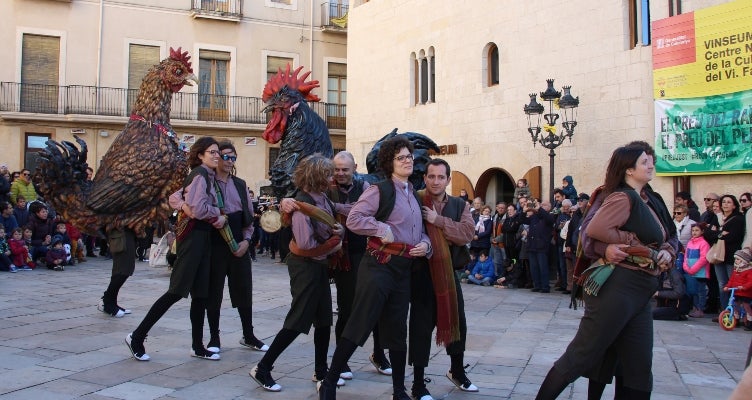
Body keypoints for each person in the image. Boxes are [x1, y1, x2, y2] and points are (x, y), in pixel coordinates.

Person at [536, 142, 676, 400]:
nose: (651, 165)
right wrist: (614, 245)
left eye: (651, 160)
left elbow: (670, 235)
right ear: (628, 170)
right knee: (582, 355)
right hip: (619, 285)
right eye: (645, 161)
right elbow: (588, 235)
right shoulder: (615, 195)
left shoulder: (654, 200)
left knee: (639, 367)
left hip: (643, 290)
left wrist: (669, 251)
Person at [318, 136, 432, 400]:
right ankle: (329, 382)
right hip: (379, 265)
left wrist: (425, 245)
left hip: (403, 268)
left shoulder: (412, 194)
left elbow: (420, 231)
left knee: (397, 330)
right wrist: (381, 228)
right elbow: (356, 219)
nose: (407, 161)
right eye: (401, 157)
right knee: (361, 322)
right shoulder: (379, 190)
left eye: (409, 157)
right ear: (389, 162)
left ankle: (399, 391)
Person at [250, 153, 344, 392]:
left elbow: (342, 208)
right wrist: (336, 242)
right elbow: (305, 246)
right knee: (298, 319)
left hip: (318, 267)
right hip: (305, 267)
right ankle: (262, 368)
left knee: (324, 321)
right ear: (317, 176)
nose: (332, 176)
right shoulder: (302, 206)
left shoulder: (322, 198)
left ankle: (321, 372)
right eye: (328, 172)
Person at [125, 137, 226, 362]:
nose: (216, 155)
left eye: (218, 152)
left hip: (203, 237)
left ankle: (198, 346)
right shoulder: (200, 175)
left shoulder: (207, 176)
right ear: (200, 155)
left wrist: (187, 206)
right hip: (194, 237)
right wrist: (216, 215)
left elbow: (178, 198)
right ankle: (137, 336)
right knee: (176, 291)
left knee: (201, 295)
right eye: (212, 152)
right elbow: (198, 210)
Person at [408, 158, 477, 400]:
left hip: (449, 273)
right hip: (421, 273)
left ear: (448, 180)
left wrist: (438, 222)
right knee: (421, 326)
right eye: (431, 176)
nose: (436, 181)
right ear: (424, 178)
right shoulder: (414, 199)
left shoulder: (459, 205)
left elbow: (467, 233)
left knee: (457, 321)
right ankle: (418, 384)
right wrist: (447, 234)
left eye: (441, 177)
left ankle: (457, 371)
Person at [198, 141, 268, 354]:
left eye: (233, 158)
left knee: (243, 290)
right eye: (225, 157)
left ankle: (248, 334)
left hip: (238, 241)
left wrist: (246, 241)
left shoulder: (240, 184)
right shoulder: (207, 182)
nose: (229, 161)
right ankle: (214, 337)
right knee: (214, 292)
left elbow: (248, 217)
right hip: (216, 243)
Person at [326, 151, 390, 379]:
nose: (341, 173)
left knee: (377, 306)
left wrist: (337, 207)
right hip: (343, 258)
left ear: (354, 167)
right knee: (347, 310)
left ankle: (379, 354)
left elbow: (367, 212)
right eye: (337, 169)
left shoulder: (366, 188)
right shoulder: (326, 189)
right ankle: (341, 361)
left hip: (368, 254)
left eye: (345, 169)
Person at [708, 194, 745, 319]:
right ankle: (724, 312)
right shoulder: (717, 217)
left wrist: (717, 234)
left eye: (729, 202)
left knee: (732, 285)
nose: (725, 204)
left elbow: (733, 237)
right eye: (724, 202)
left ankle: (736, 313)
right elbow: (708, 234)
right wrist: (720, 234)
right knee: (722, 284)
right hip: (718, 256)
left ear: (734, 205)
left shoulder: (738, 219)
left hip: (730, 256)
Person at [521, 201, 554, 293]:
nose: (542, 207)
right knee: (534, 267)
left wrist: (539, 208)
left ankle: (545, 286)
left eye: (544, 205)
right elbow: (523, 220)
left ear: (549, 207)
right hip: (532, 245)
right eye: (541, 205)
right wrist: (524, 211)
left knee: (543, 267)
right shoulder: (534, 217)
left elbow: (548, 219)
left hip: (542, 246)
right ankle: (537, 285)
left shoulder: (550, 216)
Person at [683, 223, 711, 318]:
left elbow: (704, 258)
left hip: (700, 273)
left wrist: (693, 269)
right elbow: (686, 255)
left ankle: (700, 309)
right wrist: (686, 266)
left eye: (697, 230)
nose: (694, 232)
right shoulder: (690, 242)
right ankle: (695, 308)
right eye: (693, 230)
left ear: (702, 231)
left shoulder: (704, 244)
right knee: (693, 291)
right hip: (691, 272)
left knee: (700, 291)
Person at [725, 248, 752, 330]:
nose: (736, 261)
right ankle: (735, 318)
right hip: (736, 291)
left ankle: (749, 320)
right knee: (735, 304)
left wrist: (744, 287)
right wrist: (727, 286)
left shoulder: (749, 271)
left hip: (745, 292)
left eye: (738, 259)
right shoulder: (736, 270)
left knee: (746, 306)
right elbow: (732, 279)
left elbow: (750, 281)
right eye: (736, 259)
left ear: (744, 261)